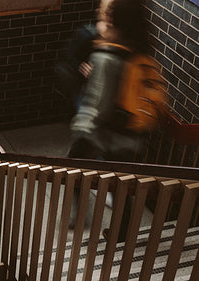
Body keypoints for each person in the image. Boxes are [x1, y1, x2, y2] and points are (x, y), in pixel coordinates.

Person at [67, 0, 151, 241]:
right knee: (123, 186)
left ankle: (80, 215)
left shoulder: (107, 54)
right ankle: (121, 234)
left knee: (71, 169)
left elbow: (99, 106)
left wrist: (81, 126)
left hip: (102, 134)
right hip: (130, 135)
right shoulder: (140, 51)